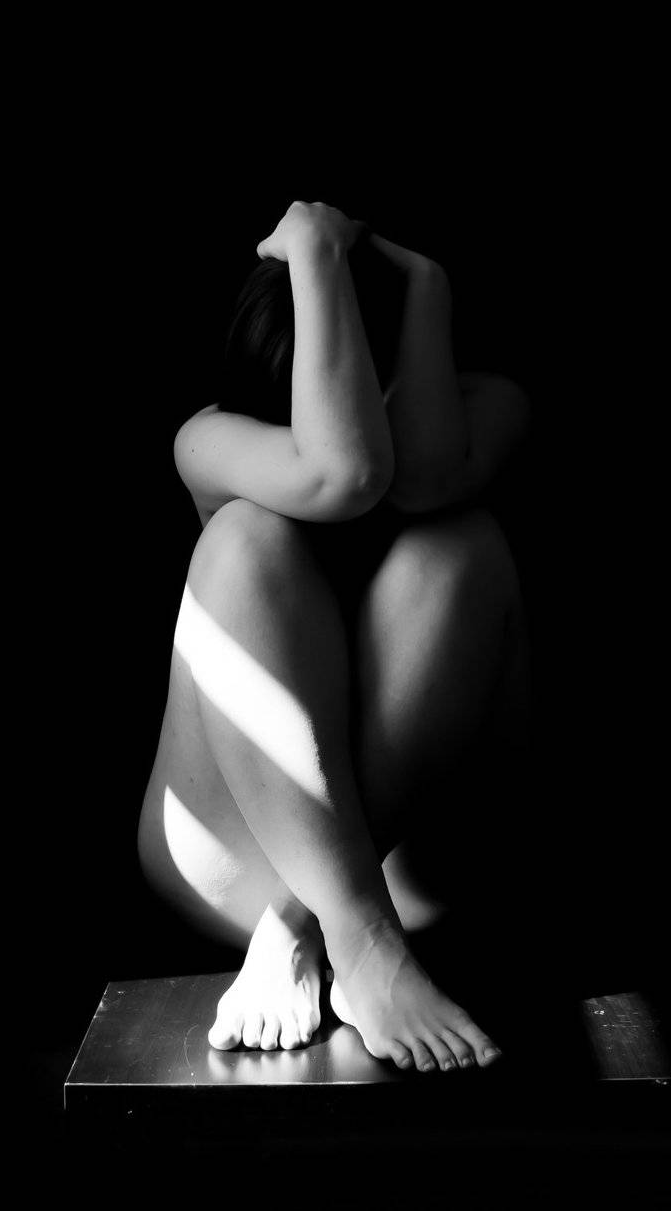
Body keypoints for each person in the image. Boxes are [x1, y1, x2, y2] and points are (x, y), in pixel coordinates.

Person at [137, 200, 532, 1068]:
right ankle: (357, 932)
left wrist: (427, 287)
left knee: (458, 547)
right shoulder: (209, 438)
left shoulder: (489, 407)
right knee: (242, 539)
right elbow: (344, 474)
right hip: (234, 854)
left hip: (420, 859)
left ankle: (317, 923)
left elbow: (419, 478)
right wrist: (318, 253)